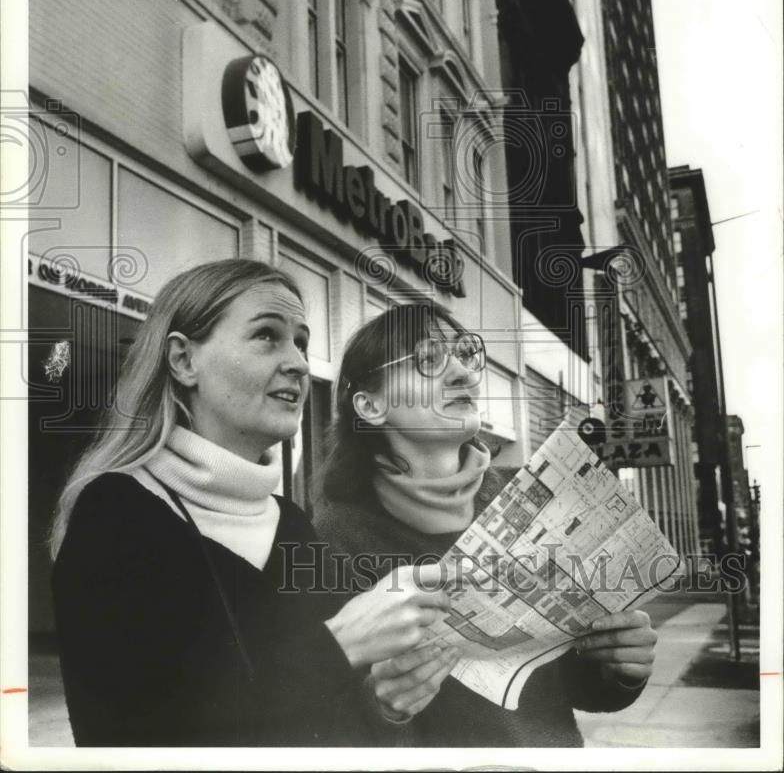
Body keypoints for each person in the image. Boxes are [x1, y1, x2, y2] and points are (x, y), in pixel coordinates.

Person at [50, 260, 454, 747]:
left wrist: (385, 702)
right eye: (267, 335)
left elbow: (330, 716)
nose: (300, 364)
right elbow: (130, 738)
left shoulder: (294, 525)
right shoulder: (114, 512)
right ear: (183, 361)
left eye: (302, 342)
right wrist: (343, 643)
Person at [314, 302, 659, 747]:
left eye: (464, 353)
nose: (463, 373)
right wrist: (381, 706)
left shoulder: (529, 498)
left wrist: (620, 666)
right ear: (370, 405)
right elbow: (321, 720)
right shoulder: (332, 536)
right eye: (427, 359)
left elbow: (569, 688)